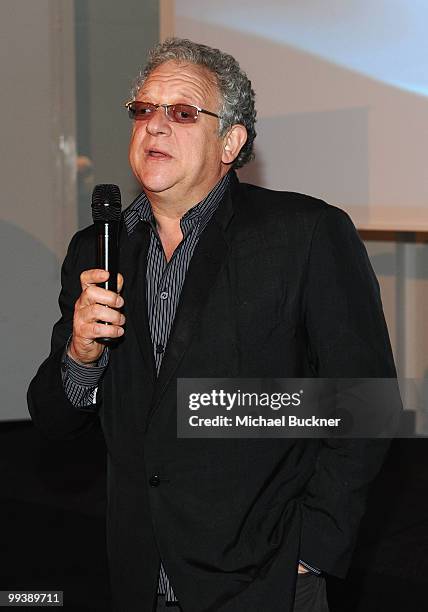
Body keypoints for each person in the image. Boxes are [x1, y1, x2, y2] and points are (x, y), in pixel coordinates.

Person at [28, 38, 398, 612]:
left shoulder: (304, 233)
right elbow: (54, 420)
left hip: (264, 575)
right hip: (139, 573)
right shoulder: (96, 250)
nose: (154, 127)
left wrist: (313, 548)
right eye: (144, 110)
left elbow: (366, 401)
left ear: (231, 141)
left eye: (181, 113)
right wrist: (80, 356)